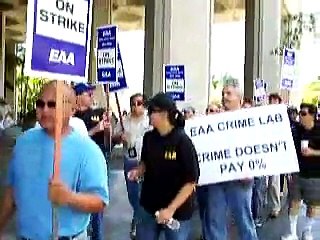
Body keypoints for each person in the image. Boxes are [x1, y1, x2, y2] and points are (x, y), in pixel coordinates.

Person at [0, 81, 109, 239]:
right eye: (40, 104)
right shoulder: (23, 142)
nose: (44, 110)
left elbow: (99, 200)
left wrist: (69, 197)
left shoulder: (88, 150)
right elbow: (12, 192)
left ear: (72, 109)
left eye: (52, 104)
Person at [128, 92, 200, 240]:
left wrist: (170, 209)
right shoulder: (149, 138)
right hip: (149, 206)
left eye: (152, 111)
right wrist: (138, 171)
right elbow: (145, 163)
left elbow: (191, 181)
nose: (149, 115)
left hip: (177, 212)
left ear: (164, 113)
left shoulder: (182, 141)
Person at [203, 81, 258, 240]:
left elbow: (258, 147)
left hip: (241, 178)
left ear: (239, 98)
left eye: (228, 93)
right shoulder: (213, 119)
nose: (224, 97)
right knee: (215, 221)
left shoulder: (251, 120)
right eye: (223, 93)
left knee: (244, 221)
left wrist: (251, 171)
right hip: (217, 178)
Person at [73, 83, 114, 240]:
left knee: (97, 202)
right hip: (77, 164)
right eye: (87, 94)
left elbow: (110, 142)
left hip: (97, 162)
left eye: (92, 94)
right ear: (77, 96)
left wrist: (108, 129)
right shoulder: (71, 118)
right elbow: (75, 140)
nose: (91, 96)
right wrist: (95, 130)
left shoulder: (98, 113)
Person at [112, 93, 151, 239]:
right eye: (133, 103)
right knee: (133, 195)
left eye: (139, 103)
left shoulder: (150, 120)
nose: (136, 106)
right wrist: (119, 137)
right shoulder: (124, 121)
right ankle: (139, 217)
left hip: (146, 162)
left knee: (144, 194)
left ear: (144, 104)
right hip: (130, 161)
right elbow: (113, 138)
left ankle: (139, 223)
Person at [282, 103, 320, 240]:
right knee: (294, 202)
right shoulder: (297, 129)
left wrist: (313, 152)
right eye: (299, 113)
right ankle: (292, 233)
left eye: (304, 114)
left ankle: (307, 231)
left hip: (316, 175)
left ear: (312, 116)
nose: (300, 116)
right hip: (298, 173)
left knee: (314, 206)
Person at [267, 93, 283, 218]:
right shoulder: (264, 114)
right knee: (263, 184)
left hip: (276, 154)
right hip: (264, 152)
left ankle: (276, 206)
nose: (273, 102)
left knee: (274, 183)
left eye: (275, 100)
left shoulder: (282, 117)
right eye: (271, 100)